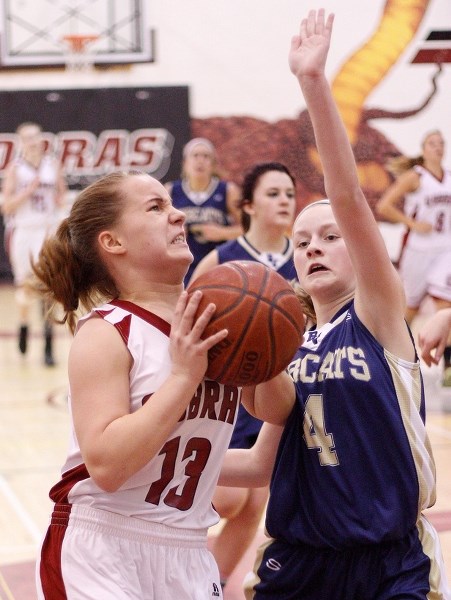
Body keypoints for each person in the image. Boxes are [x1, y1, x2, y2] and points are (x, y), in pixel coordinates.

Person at [232, 10, 450, 598]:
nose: (314, 247)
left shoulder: (378, 315)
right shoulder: (282, 341)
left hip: (387, 560)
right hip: (298, 556)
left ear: (357, 249)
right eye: (302, 242)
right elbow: (257, 463)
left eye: (331, 237)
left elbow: (347, 195)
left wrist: (313, 83)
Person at [31, 170, 248, 599]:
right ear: (113, 242)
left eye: (171, 204)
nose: (179, 215)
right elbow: (109, 467)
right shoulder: (108, 332)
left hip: (187, 551)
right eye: (156, 207)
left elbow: (254, 465)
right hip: (103, 548)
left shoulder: (211, 328)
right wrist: (185, 377)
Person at [191, 161, 297, 590]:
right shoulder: (223, 261)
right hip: (231, 395)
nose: (285, 200)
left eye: (289, 193)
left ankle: (209, 587)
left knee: (255, 506)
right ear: (249, 206)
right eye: (274, 193)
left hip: (284, 394)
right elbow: (189, 327)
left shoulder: (307, 257)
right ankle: (175, 567)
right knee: (233, 498)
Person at [376, 130, 451, 386]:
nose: (439, 147)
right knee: (409, 310)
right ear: (424, 148)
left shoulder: (449, 177)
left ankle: (448, 367)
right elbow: (384, 206)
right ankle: (390, 357)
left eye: (442, 144)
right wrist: (412, 223)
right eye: (433, 143)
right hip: (418, 251)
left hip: (445, 251)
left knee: (446, 308)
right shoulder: (414, 177)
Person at [1, 121, 67, 366]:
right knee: (26, 288)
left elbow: (61, 193)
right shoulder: (15, 169)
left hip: (46, 230)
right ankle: (23, 325)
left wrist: (61, 200)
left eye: (36, 136)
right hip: (24, 231)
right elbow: (6, 206)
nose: (33, 141)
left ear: (41, 139)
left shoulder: (53, 165)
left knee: (49, 286)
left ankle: (49, 344)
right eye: (27, 138)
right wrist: (29, 190)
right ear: (21, 142)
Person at [165, 137, 242, 284]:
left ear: (213, 165)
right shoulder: (170, 190)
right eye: (195, 156)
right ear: (185, 164)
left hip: (218, 266)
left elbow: (249, 229)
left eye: (206, 156)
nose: (200, 161)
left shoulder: (228, 190)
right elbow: (156, 230)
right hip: (181, 268)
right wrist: (173, 232)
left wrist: (222, 233)